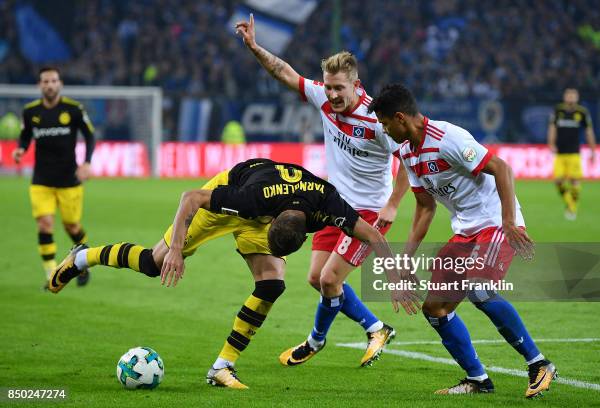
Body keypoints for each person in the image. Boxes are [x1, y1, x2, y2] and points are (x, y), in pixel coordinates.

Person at [49, 158, 417, 389]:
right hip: (226, 197)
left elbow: (370, 233)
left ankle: (222, 368)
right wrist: (177, 250)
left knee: (272, 283)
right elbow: (189, 198)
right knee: (154, 263)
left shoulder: (327, 200)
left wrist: (396, 273)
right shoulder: (248, 200)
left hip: (269, 211)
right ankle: (84, 257)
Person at [236, 14, 410, 368]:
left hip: (368, 212)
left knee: (330, 280)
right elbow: (284, 72)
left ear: (356, 85)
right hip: (333, 205)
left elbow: (408, 159)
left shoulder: (377, 121)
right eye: (328, 88)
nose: (331, 95)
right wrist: (255, 48)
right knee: (316, 279)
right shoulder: (324, 100)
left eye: (338, 89)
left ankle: (317, 340)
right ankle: (377, 327)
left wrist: (393, 204)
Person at [368, 84, 556, 398]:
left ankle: (538, 363)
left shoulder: (447, 139)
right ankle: (478, 380)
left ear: (401, 118)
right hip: (466, 229)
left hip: (494, 222)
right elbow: (425, 208)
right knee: (434, 308)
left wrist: (509, 221)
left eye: (386, 124)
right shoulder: (406, 152)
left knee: (480, 288)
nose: (385, 132)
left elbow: (501, 168)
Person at [12, 66, 95, 289]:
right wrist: (21, 149)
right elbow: (25, 136)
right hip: (41, 180)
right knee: (45, 224)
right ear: (40, 85)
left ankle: (83, 263)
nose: (49, 85)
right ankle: (51, 274)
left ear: (60, 84)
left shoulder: (74, 109)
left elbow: (89, 135)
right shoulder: (30, 112)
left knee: (72, 226)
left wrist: (87, 163)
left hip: (69, 179)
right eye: (45, 81)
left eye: (53, 81)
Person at [547, 88, 597, 220]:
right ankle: (570, 201)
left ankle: (572, 208)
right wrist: (551, 143)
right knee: (558, 181)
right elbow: (552, 128)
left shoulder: (582, 112)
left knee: (574, 180)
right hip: (560, 152)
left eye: (573, 95)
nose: (570, 97)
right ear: (564, 96)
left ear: (577, 97)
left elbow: (589, 131)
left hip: (574, 152)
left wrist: (593, 150)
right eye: (568, 94)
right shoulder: (558, 110)